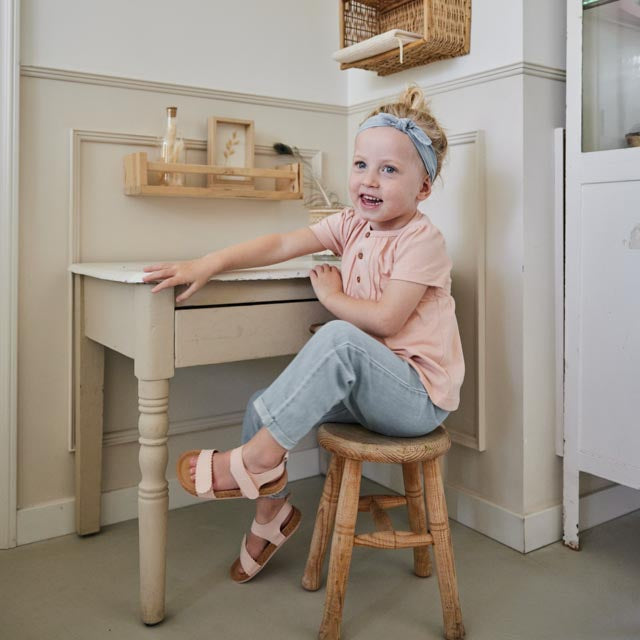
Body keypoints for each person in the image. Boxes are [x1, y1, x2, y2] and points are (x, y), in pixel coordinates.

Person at [143, 85, 464, 584]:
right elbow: (282, 242)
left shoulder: (424, 241)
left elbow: (385, 321)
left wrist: (333, 299)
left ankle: (247, 463)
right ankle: (271, 518)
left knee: (337, 337)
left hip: (415, 399)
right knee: (262, 404)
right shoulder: (355, 224)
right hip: (369, 391)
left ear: (423, 188)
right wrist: (209, 261)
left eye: (389, 170)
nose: (368, 180)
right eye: (361, 165)